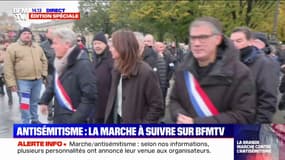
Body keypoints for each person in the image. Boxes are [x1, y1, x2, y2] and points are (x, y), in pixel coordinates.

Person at [168, 17, 256, 124]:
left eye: (203, 37)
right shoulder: (182, 70)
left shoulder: (240, 73)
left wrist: (198, 123)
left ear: (217, 39)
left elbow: (243, 115)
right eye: (192, 38)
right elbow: (174, 100)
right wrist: (179, 116)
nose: (196, 43)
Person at [105, 30, 164, 123]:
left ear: (122, 47)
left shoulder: (145, 71)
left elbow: (156, 106)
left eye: (113, 46)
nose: (110, 49)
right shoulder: (116, 69)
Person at [39, 29, 97, 123]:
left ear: (67, 44)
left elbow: (89, 98)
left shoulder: (83, 64)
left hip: (75, 122)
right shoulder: (60, 61)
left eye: (55, 43)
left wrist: (74, 121)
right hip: (60, 116)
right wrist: (44, 100)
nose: (52, 46)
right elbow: (54, 83)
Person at [230, 27, 278, 123]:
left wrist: (258, 127)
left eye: (239, 41)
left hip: (250, 122)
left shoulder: (264, 63)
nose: (234, 45)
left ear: (250, 42)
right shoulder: (230, 62)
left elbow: (267, 100)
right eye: (232, 41)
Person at [4, 27, 48, 124]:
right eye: (24, 33)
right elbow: (8, 66)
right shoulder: (12, 48)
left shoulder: (37, 47)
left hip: (37, 80)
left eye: (29, 33)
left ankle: (35, 119)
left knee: (34, 101)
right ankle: (26, 121)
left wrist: (44, 74)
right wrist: (11, 83)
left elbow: (44, 61)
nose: (27, 35)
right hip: (23, 81)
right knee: (25, 103)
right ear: (20, 35)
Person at [91, 32, 113, 123]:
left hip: (107, 106)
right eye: (95, 44)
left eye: (99, 43)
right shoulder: (95, 59)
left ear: (105, 44)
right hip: (95, 105)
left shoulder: (111, 60)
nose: (97, 46)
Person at [40, 28, 55, 121]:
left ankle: (58, 111)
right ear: (46, 34)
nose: (53, 34)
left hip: (60, 72)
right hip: (49, 73)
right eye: (51, 32)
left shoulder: (58, 42)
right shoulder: (42, 46)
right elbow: (41, 60)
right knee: (49, 93)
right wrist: (43, 75)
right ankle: (50, 112)